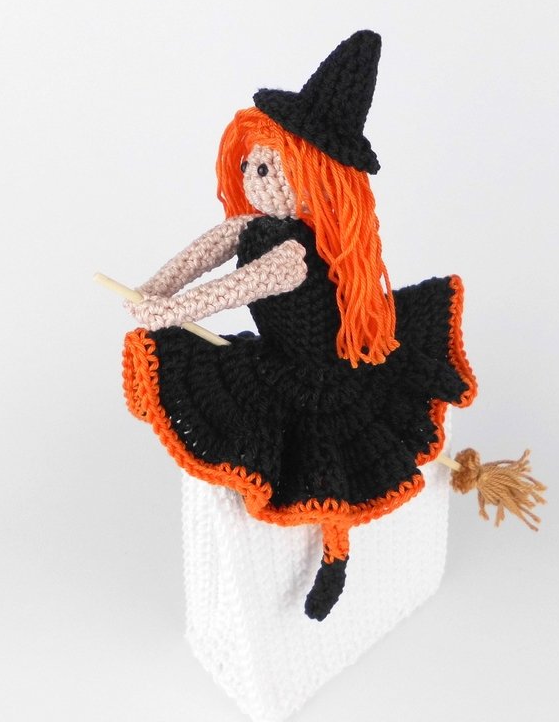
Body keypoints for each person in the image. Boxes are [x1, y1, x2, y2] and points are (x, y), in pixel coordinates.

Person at [122, 31, 476, 620]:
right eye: (251, 164)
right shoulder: (250, 226)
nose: (254, 176)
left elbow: (237, 288)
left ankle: (335, 556)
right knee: (297, 448)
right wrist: (152, 289)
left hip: (317, 374)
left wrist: (170, 312)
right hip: (277, 355)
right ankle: (333, 553)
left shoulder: (294, 253)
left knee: (323, 461)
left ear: (313, 178)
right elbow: (199, 256)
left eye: (270, 167)